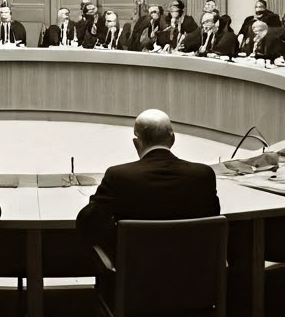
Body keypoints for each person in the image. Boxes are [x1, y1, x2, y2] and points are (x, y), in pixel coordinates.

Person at [76, 109, 220, 256]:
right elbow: (213, 216)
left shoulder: (119, 176)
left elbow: (88, 221)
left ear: (136, 143)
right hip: (194, 271)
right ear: (172, 139)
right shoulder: (203, 175)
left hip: (135, 273)